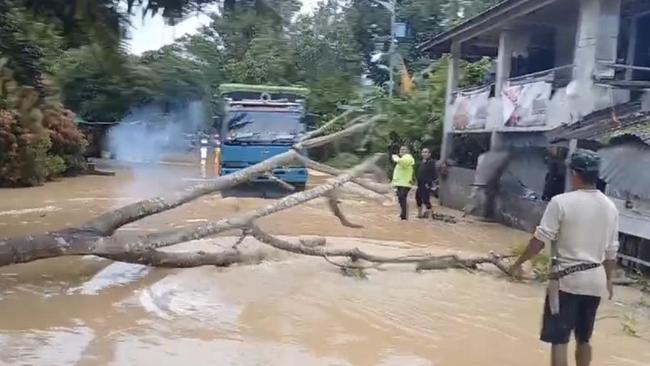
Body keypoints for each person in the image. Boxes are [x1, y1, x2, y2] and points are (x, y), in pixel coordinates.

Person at [509, 149, 619, 366]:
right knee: (584, 338)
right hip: (595, 280)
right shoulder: (610, 206)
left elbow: (540, 239)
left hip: (567, 281)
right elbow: (611, 251)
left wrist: (518, 263)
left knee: (560, 340)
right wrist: (609, 280)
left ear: (575, 173)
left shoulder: (561, 202)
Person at [391, 145, 415, 220]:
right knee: (401, 198)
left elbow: (404, 163)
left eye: (404, 149)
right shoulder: (402, 159)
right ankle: (403, 214)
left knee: (402, 197)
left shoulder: (408, 157)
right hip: (400, 183)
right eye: (401, 149)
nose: (402, 150)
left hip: (405, 183)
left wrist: (396, 158)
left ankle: (404, 216)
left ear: (408, 151)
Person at [415, 147, 437, 218]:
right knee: (418, 197)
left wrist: (429, 183)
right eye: (423, 152)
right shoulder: (422, 162)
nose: (424, 153)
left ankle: (430, 215)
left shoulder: (431, 162)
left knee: (425, 199)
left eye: (426, 152)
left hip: (426, 184)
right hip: (420, 184)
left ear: (429, 154)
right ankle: (419, 214)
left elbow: (434, 175)